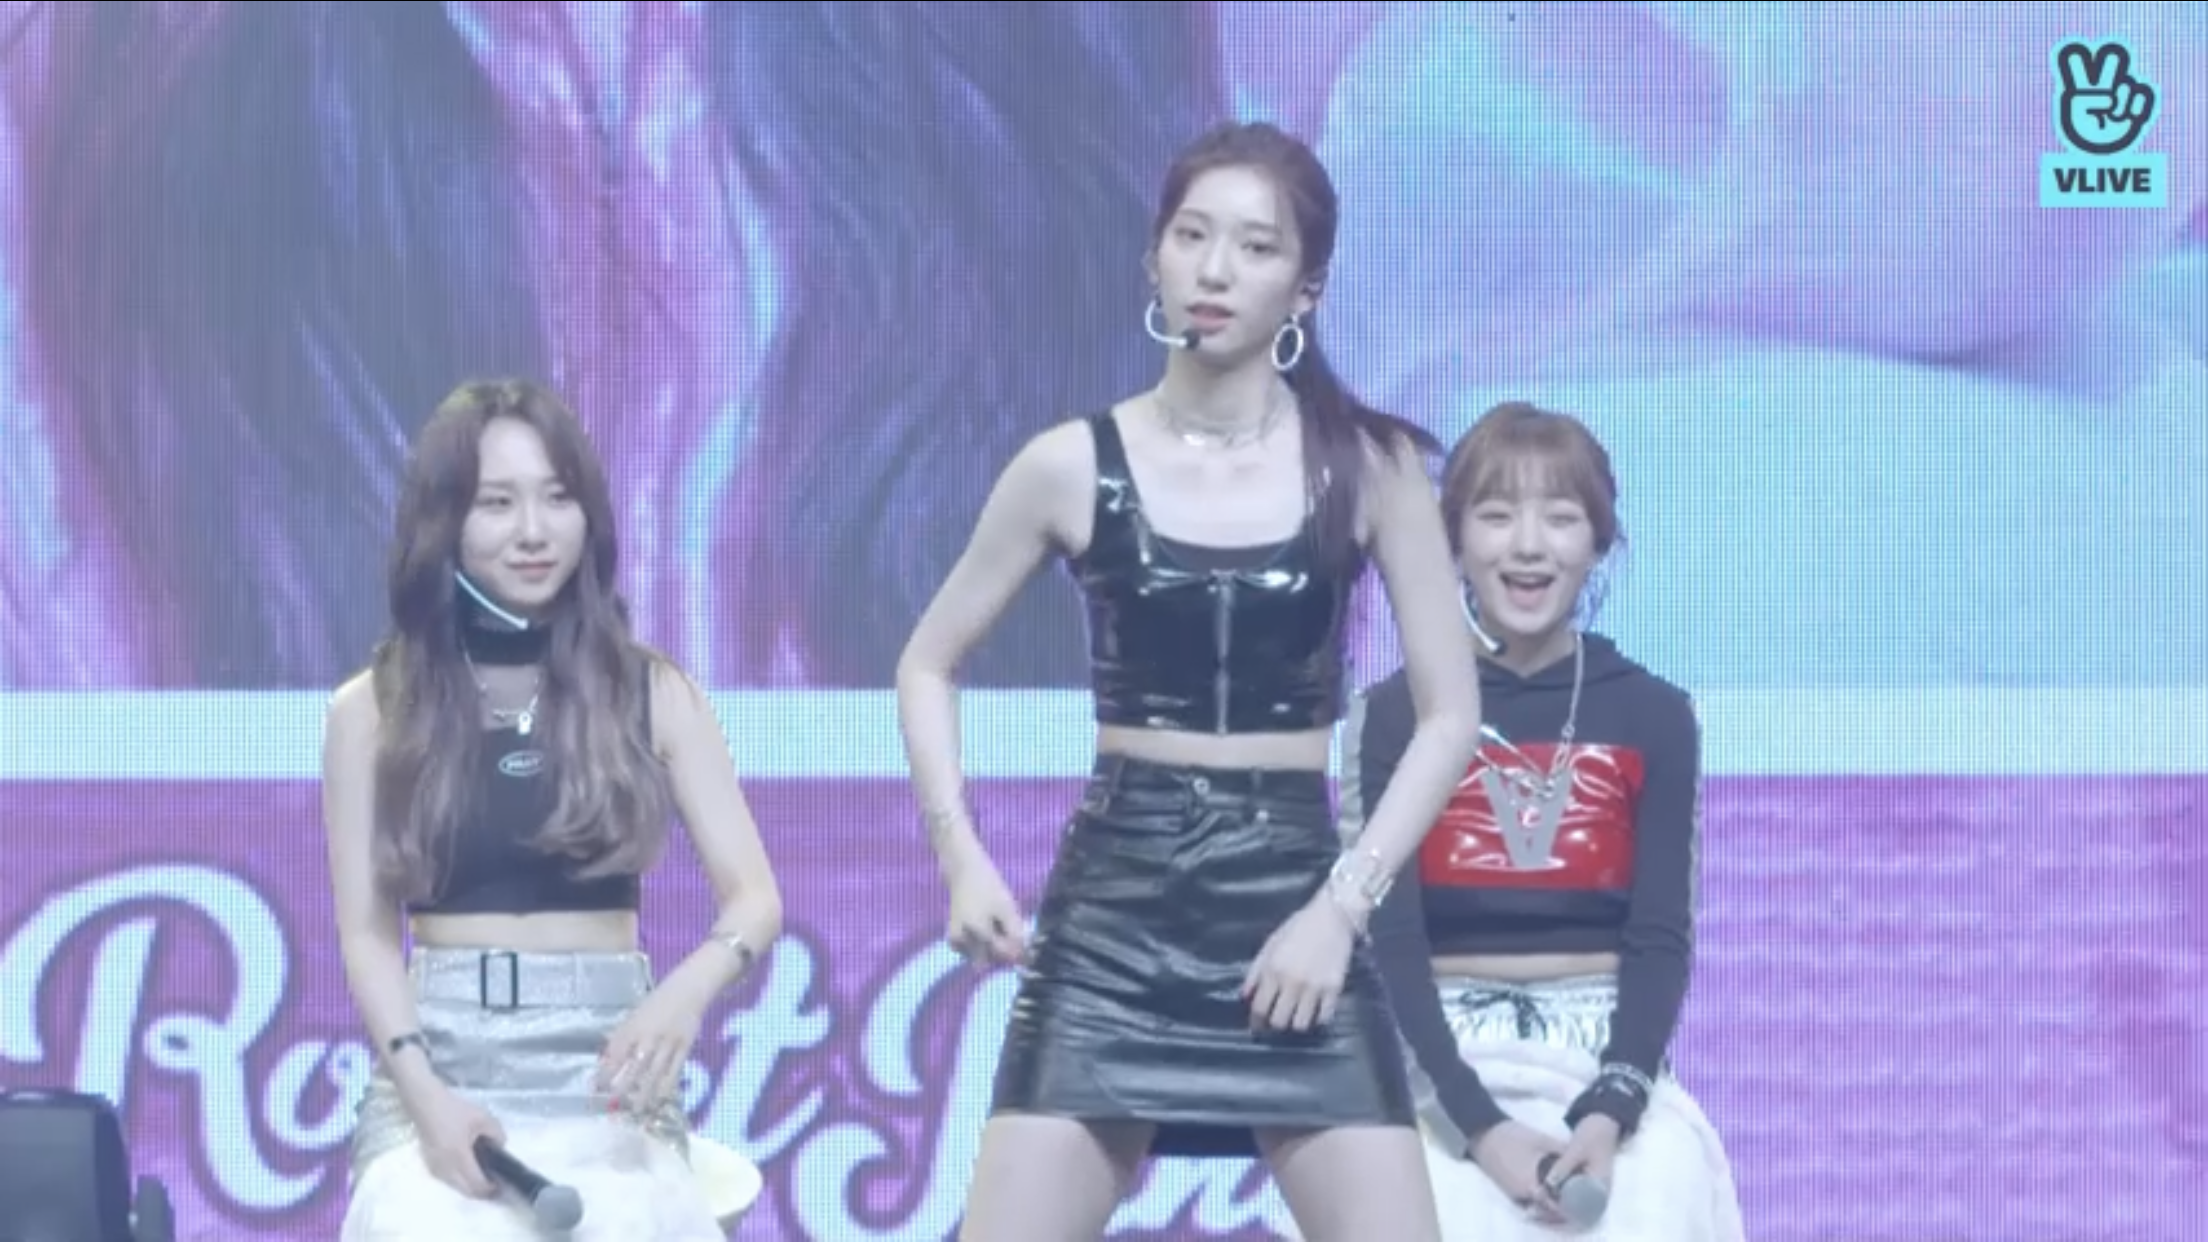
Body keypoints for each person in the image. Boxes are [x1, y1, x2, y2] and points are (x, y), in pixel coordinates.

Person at [895, 121, 1484, 1242]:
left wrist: (1340, 909)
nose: (1215, 270)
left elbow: (1450, 715)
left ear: (1304, 289)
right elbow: (927, 660)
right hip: (1117, 910)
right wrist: (959, 855)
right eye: (1192, 236)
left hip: (1294, 895)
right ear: (1154, 257)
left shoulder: (1371, 467)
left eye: (1255, 248)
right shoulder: (1069, 464)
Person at [324, 379, 779, 1240]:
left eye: (557, 498)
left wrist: (683, 995)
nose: (533, 531)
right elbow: (366, 934)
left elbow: (754, 899)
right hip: (441, 1067)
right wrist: (425, 1093)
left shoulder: (653, 691)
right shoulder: (372, 709)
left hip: (611, 1068)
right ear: (446, 521)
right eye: (497, 504)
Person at [1342, 401, 1745, 1239]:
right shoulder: (1390, 718)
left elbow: (1660, 937)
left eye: (1560, 518)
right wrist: (1477, 1127)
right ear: (1454, 541)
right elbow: (1388, 944)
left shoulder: (1657, 715)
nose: (1528, 546)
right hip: (1433, 1065)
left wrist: (1612, 1105)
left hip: (1602, 1062)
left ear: (1598, 542)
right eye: (1496, 516)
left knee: (1654, 1201)